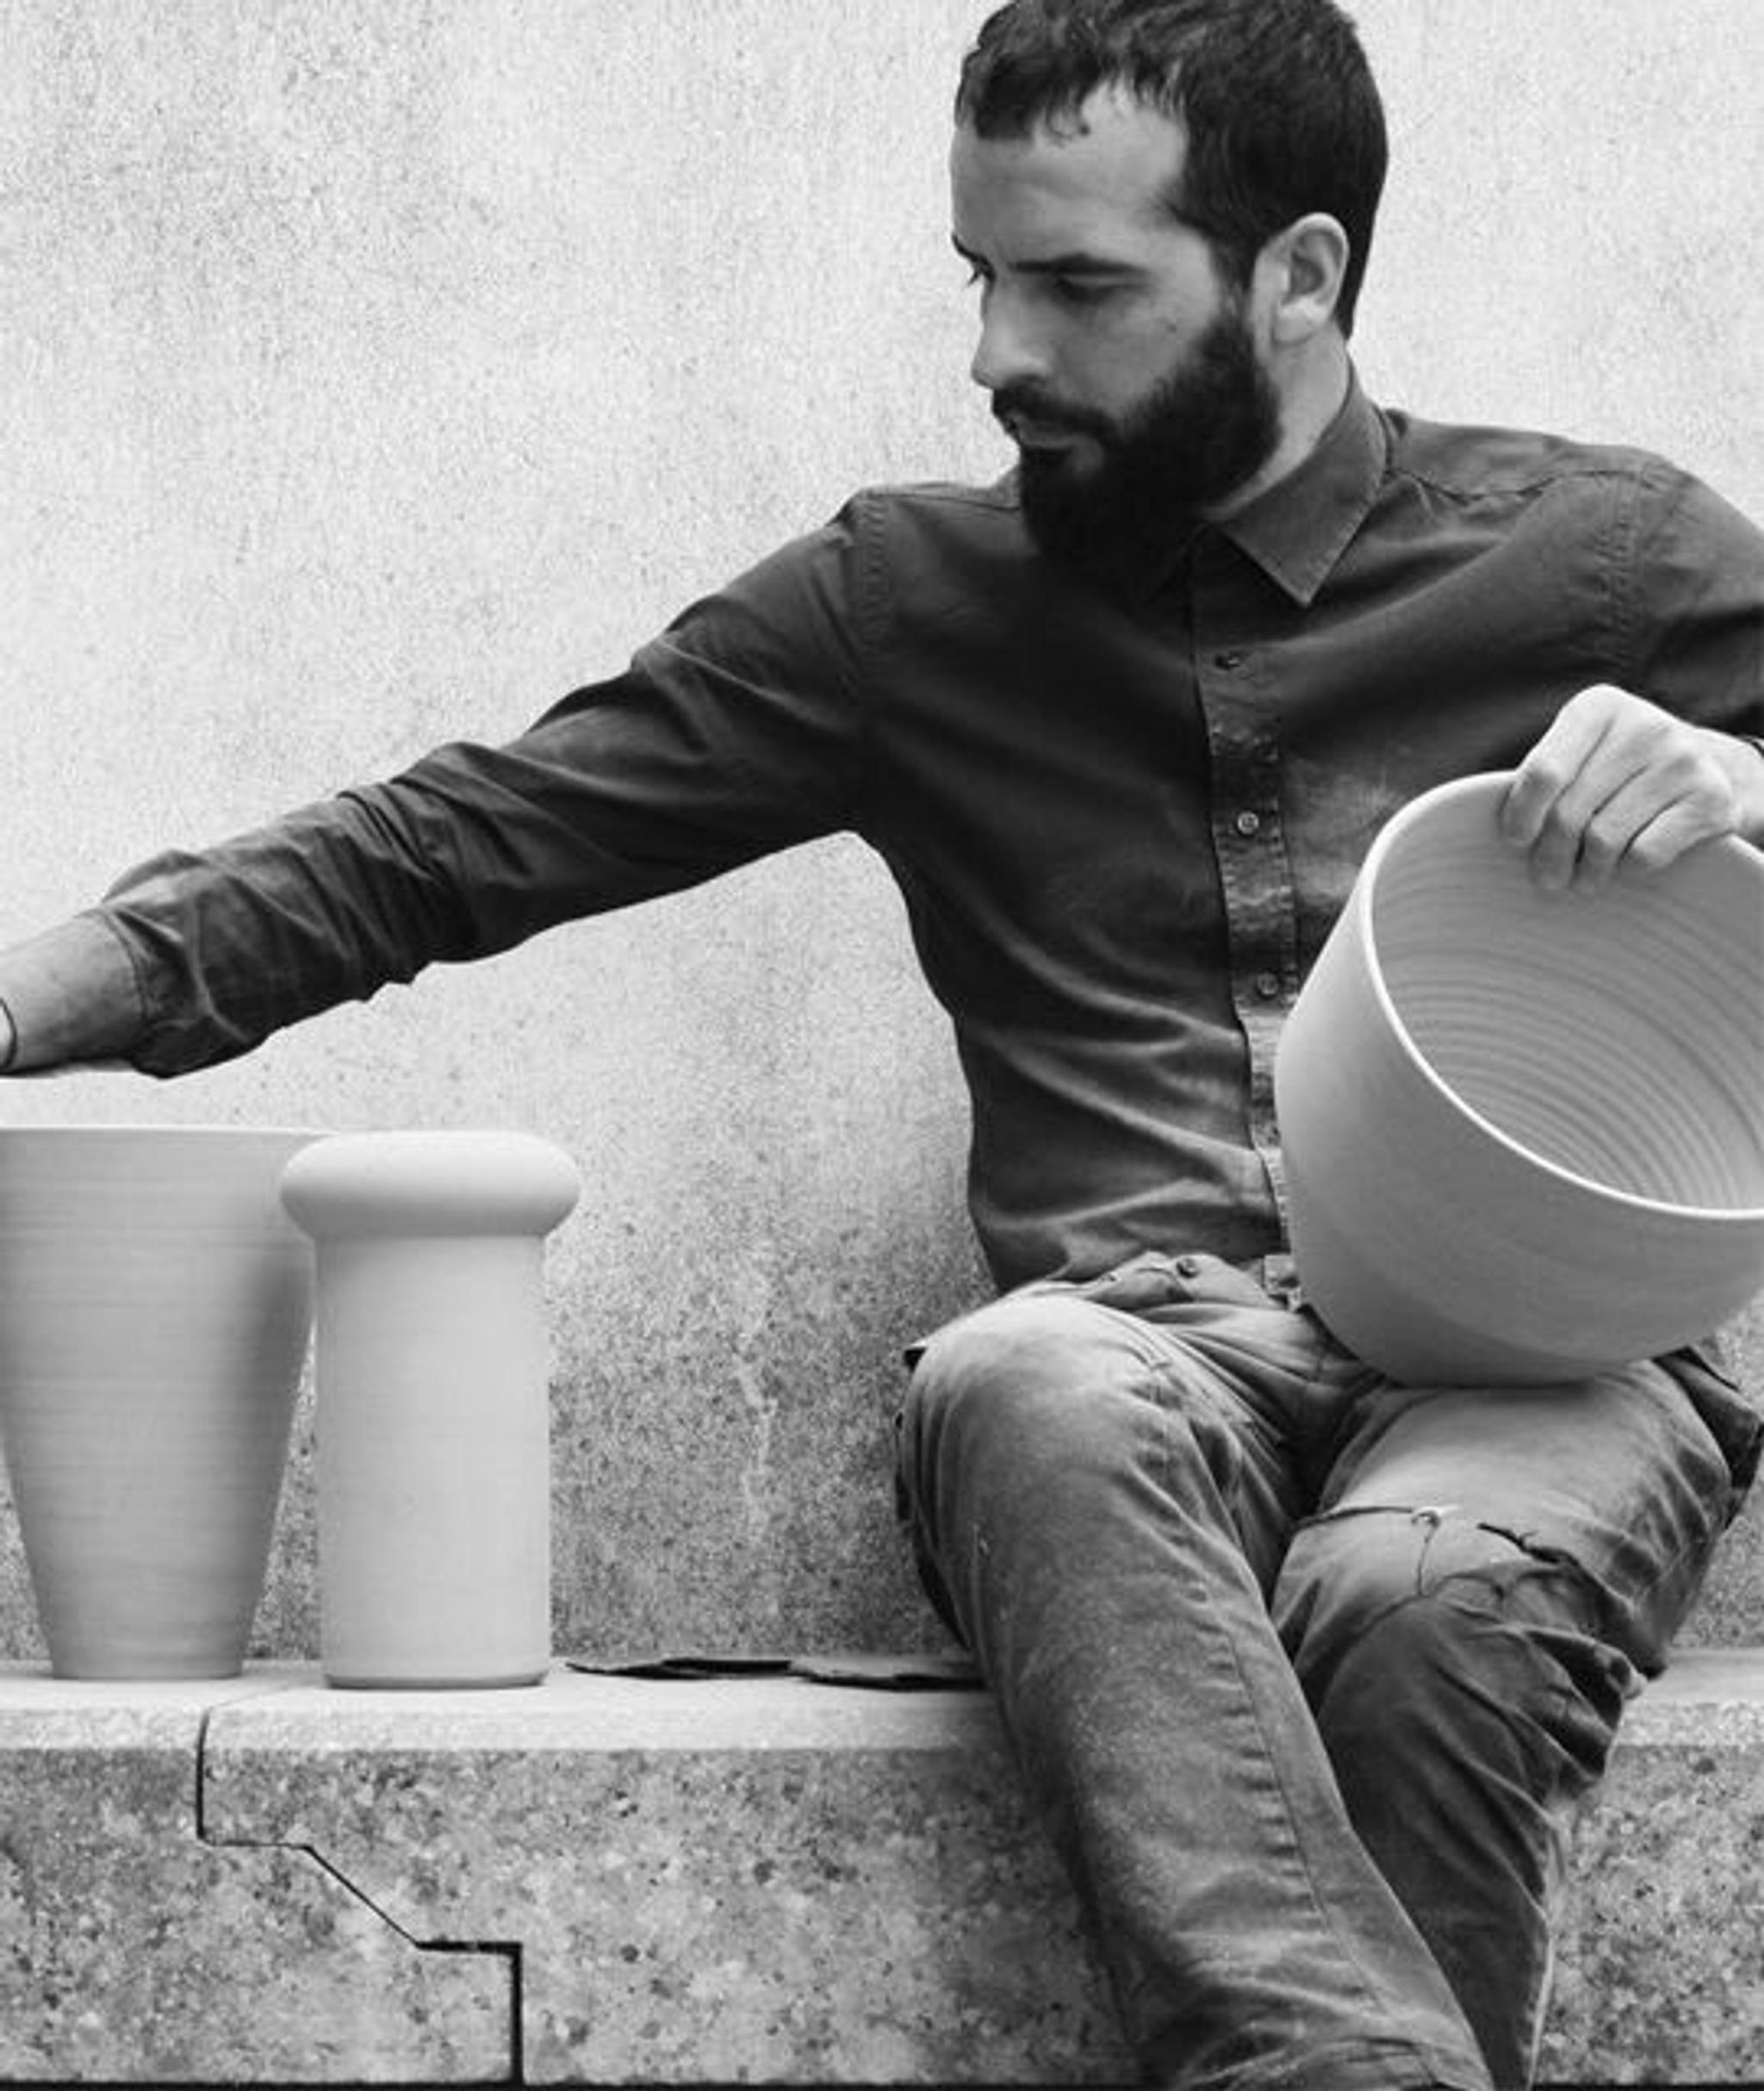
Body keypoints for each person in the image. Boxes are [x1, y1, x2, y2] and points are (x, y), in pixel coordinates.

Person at [3, 1, 1761, 2083]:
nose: (998, 352)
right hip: (1125, 1355)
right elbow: (450, 840)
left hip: (1539, 1359)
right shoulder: (899, 604)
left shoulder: (1607, 561)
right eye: (979, 277)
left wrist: (1742, 790)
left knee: (1423, 1599)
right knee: (1017, 1381)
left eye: (1078, 286)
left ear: (1298, 275)